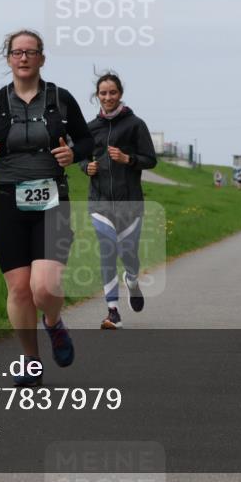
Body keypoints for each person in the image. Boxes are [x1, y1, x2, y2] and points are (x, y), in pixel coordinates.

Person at [0, 29, 94, 386]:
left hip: (52, 200)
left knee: (44, 288)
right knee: (19, 289)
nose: (23, 58)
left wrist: (73, 153)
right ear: (8, 59)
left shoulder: (61, 99)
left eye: (30, 52)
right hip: (6, 202)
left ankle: (53, 322)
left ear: (41, 58)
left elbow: (86, 141)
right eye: (17, 52)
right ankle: (31, 361)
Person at [82, 73, 157, 330]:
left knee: (128, 255)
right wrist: (86, 167)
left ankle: (132, 280)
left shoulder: (136, 125)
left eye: (112, 92)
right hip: (99, 202)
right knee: (107, 251)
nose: (108, 97)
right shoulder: (91, 128)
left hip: (130, 202)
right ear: (97, 96)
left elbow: (150, 159)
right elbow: (81, 156)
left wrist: (128, 159)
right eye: (103, 93)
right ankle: (112, 311)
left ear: (120, 94)